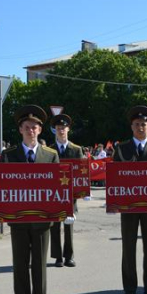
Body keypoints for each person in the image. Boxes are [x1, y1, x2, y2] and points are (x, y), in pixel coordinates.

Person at [1, 105, 59, 294]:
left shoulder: (50, 155)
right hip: (18, 220)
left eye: (34, 127)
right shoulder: (9, 156)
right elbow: (2, 188)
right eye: (27, 127)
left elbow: (57, 188)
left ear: (40, 130)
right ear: (20, 130)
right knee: (21, 264)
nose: (31, 131)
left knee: (40, 266)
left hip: (43, 220)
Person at [113, 106, 147, 294]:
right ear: (131, 127)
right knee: (128, 246)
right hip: (128, 205)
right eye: (137, 124)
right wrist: (113, 202)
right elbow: (114, 176)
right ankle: (129, 288)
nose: (140, 127)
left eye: (143, 124)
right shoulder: (121, 148)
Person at [49, 113, 85, 268]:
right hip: (54, 195)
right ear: (55, 130)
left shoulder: (77, 150)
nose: (61, 130)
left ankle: (69, 256)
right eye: (58, 128)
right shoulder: (49, 150)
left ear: (68, 129)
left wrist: (84, 191)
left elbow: (82, 171)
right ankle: (57, 257)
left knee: (69, 226)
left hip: (71, 194)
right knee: (55, 226)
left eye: (63, 128)